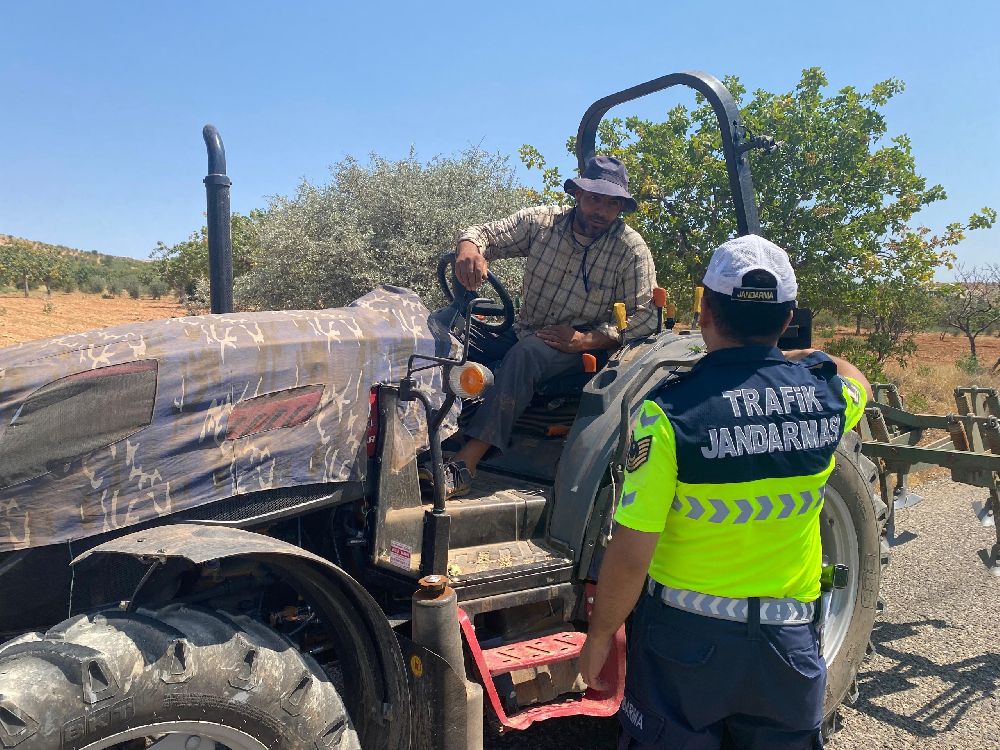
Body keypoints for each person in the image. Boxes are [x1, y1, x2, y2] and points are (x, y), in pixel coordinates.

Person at [579, 234, 872, 749]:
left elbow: (631, 551)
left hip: (684, 648)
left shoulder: (669, 415)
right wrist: (805, 355)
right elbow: (858, 382)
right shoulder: (826, 399)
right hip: (788, 647)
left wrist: (600, 635)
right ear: (787, 318)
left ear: (706, 312)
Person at [440, 156, 658, 496]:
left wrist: (587, 339)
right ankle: (427, 435)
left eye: (612, 204)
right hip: (526, 329)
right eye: (595, 199)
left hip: (580, 348)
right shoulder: (542, 222)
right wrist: (469, 249)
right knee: (445, 330)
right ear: (578, 194)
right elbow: (484, 234)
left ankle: (466, 463)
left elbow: (645, 318)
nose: (601, 211)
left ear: (620, 207)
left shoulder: (630, 250)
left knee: (527, 353)